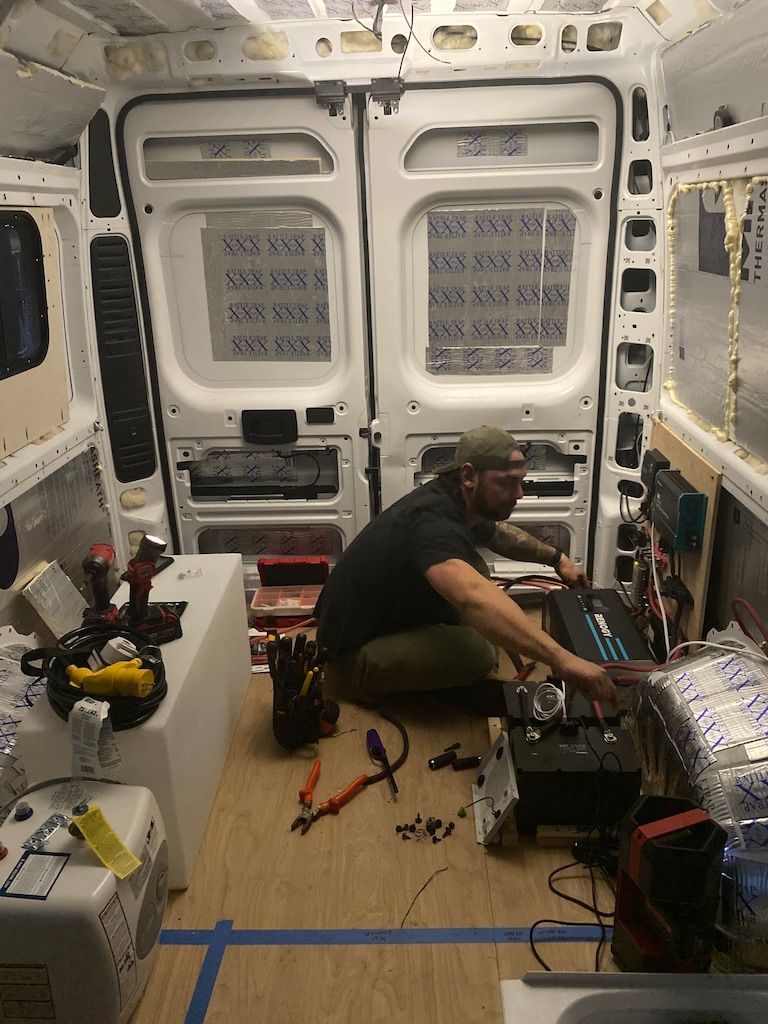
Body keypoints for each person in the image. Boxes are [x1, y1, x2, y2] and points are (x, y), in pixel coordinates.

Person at [315, 426, 616, 708]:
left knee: (477, 570)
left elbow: (496, 533)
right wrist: (561, 658)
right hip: (348, 657)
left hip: (380, 619)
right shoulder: (432, 522)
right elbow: (471, 596)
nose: (520, 493)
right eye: (508, 482)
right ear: (470, 476)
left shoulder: (454, 497)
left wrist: (558, 559)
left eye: (521, 480)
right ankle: (355, 681)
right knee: (478, 652)